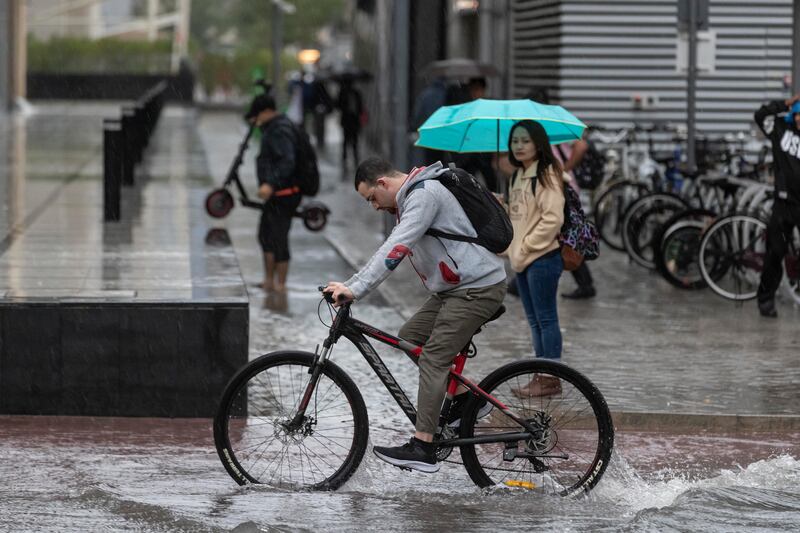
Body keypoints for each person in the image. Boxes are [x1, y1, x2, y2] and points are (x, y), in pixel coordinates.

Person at [324, 157, 506, 473]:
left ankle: (423, 446)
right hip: (457, 289)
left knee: (434, 358)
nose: (374, 206)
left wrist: (354, 288)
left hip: (477, 288)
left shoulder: (424, 195)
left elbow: (396, 247)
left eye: (371, 198)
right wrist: (352, 285)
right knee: (410, 338)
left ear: (383, 183)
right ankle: (466, 398)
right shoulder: (412, 196)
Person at [504, 120, 566, 397]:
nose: (518, 146)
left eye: (525, 140)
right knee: (534, 320)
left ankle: (550, 377)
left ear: (538, 143)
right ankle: (541, 374)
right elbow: (521, 216)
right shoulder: (518, 175)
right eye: (515, 140)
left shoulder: (547, 174)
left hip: (542, 258)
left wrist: (527, 245)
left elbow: (553, 218)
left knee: (546, 318)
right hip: (522, 259)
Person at [529, 86, 597, 299]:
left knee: (562, 235)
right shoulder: (537, 128)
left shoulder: (552, 125)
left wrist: (564, 169)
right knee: (562, 235)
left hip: (562, 189)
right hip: (549, 188)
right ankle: (585, 283)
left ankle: (585, 283)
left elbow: (582, 146)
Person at [246, 93, 303, 293]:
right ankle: (269, 280)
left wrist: (271, 183)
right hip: (276, 194)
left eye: (257, 115)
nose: (256, 120)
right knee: (266, 235)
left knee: (278, 236)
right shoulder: (273, 128)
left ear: (267, 112)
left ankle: (281, 284)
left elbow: (288, 161)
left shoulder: (279, 130)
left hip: (285, 193)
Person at [754, 93, 800, 317]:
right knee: (775, 252)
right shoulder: (780, 128)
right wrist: (784, 104)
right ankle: (765, 300)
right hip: (783, 204)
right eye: (798, 114)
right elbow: (760, 115)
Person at [336, 78, 364, 173]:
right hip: (346, 121)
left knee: (354, 142)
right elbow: (338, 105)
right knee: (345, 142)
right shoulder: (343, 93)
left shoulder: (356, 93)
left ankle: (355, 160)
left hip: (354, 121)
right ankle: (344, 160)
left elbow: (361, 106)